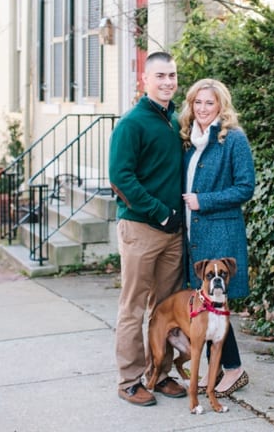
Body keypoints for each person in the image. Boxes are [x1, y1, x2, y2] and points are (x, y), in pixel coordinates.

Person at [108, 51, 186, 406]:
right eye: (160, 76)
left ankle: (160, 373)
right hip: (141, 228)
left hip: (173, 232)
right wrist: (159, 211)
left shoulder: (174, 121)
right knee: (133, 308)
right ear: (145, 79)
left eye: (172, 75)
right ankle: (129, 380)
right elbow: (120, 177)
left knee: (166, 308)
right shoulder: (132, 123)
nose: (167, 82)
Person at [179, 78, 255, 397]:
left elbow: (245, 187)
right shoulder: (189, 140)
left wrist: (203, 200)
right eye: (198, 102)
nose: (203, 109)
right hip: (195, 234)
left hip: (221, 233)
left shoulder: (233, 139)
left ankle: (234, 369)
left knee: (216, 304)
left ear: (221, 106)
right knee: (205, 305)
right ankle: (218, 369)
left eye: (209, 103)